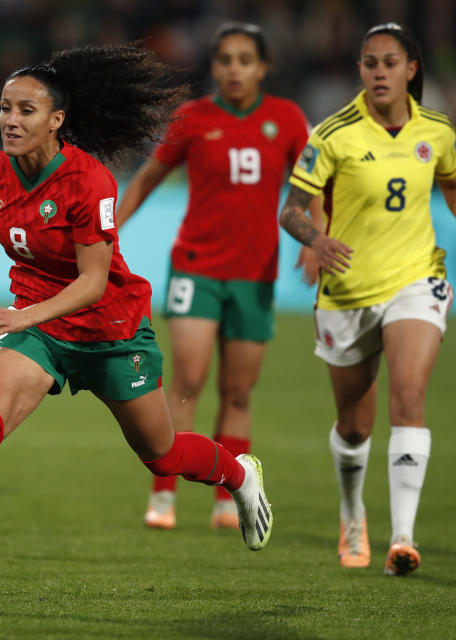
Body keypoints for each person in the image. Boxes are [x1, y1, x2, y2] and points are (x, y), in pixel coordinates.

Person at [0, 44, 274, 609]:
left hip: (111, 330)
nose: (11, 121)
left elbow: (93, 281)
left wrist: (24, 315)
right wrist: (30, 318)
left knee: (161, 455)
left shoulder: (90, 183)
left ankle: (237, 473)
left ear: (57, 121)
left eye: (26, 111)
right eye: (5, 108)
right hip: (42, 331)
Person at [279, 23, 456, 575]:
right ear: (360, 71)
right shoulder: (333, 133)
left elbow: (452, 181)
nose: (379, 72)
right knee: (354, 427)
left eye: (390, 63)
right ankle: (353, 518)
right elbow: (292, 209)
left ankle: (403, 536)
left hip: (416, 278)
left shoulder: (438, 130)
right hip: (348, 290)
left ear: (410, 70)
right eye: (370, 63)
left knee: (410, 396)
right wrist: (316, 239)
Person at [117, 23, 320, 531]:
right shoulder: (192, 118)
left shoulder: (287, 119)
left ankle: (231, 495)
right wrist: (109, 231)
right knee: (186, 380)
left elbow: (317, 183)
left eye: (244, 60)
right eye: (226, 59)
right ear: (214, 66)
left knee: (238, 393)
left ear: (263, 67)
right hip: (196, 268)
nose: (234, 69)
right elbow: (146, 179)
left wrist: (317, 239)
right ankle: (162, 496)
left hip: (254, 275)